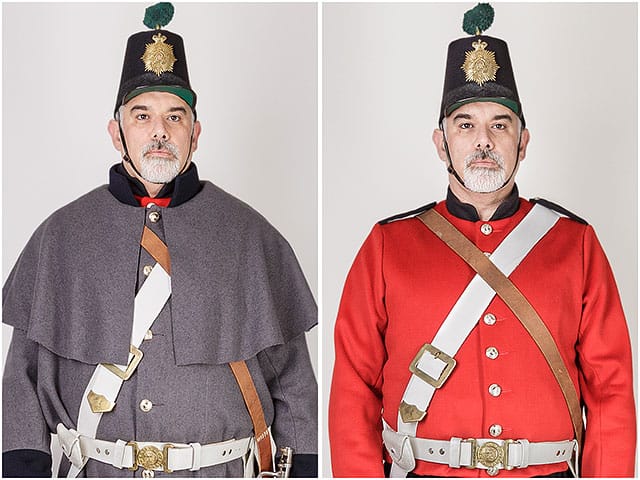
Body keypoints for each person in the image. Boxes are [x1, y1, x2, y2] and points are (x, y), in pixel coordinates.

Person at [2, 3, 317, 477]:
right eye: (142, 115)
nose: (159, 132)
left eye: (175, 117)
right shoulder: (60, 236)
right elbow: (23, 381)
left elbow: (293, 382)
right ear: (117, 132)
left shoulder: (252, 237)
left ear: (196, 134)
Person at [328, 3, 635, 478]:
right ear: (441, 142)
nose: (483, 140)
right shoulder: (388, 244)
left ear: (523, 141)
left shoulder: (575, 244)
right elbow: (353, 387)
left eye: (500, 124)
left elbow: (611, 390)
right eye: (465, 124)